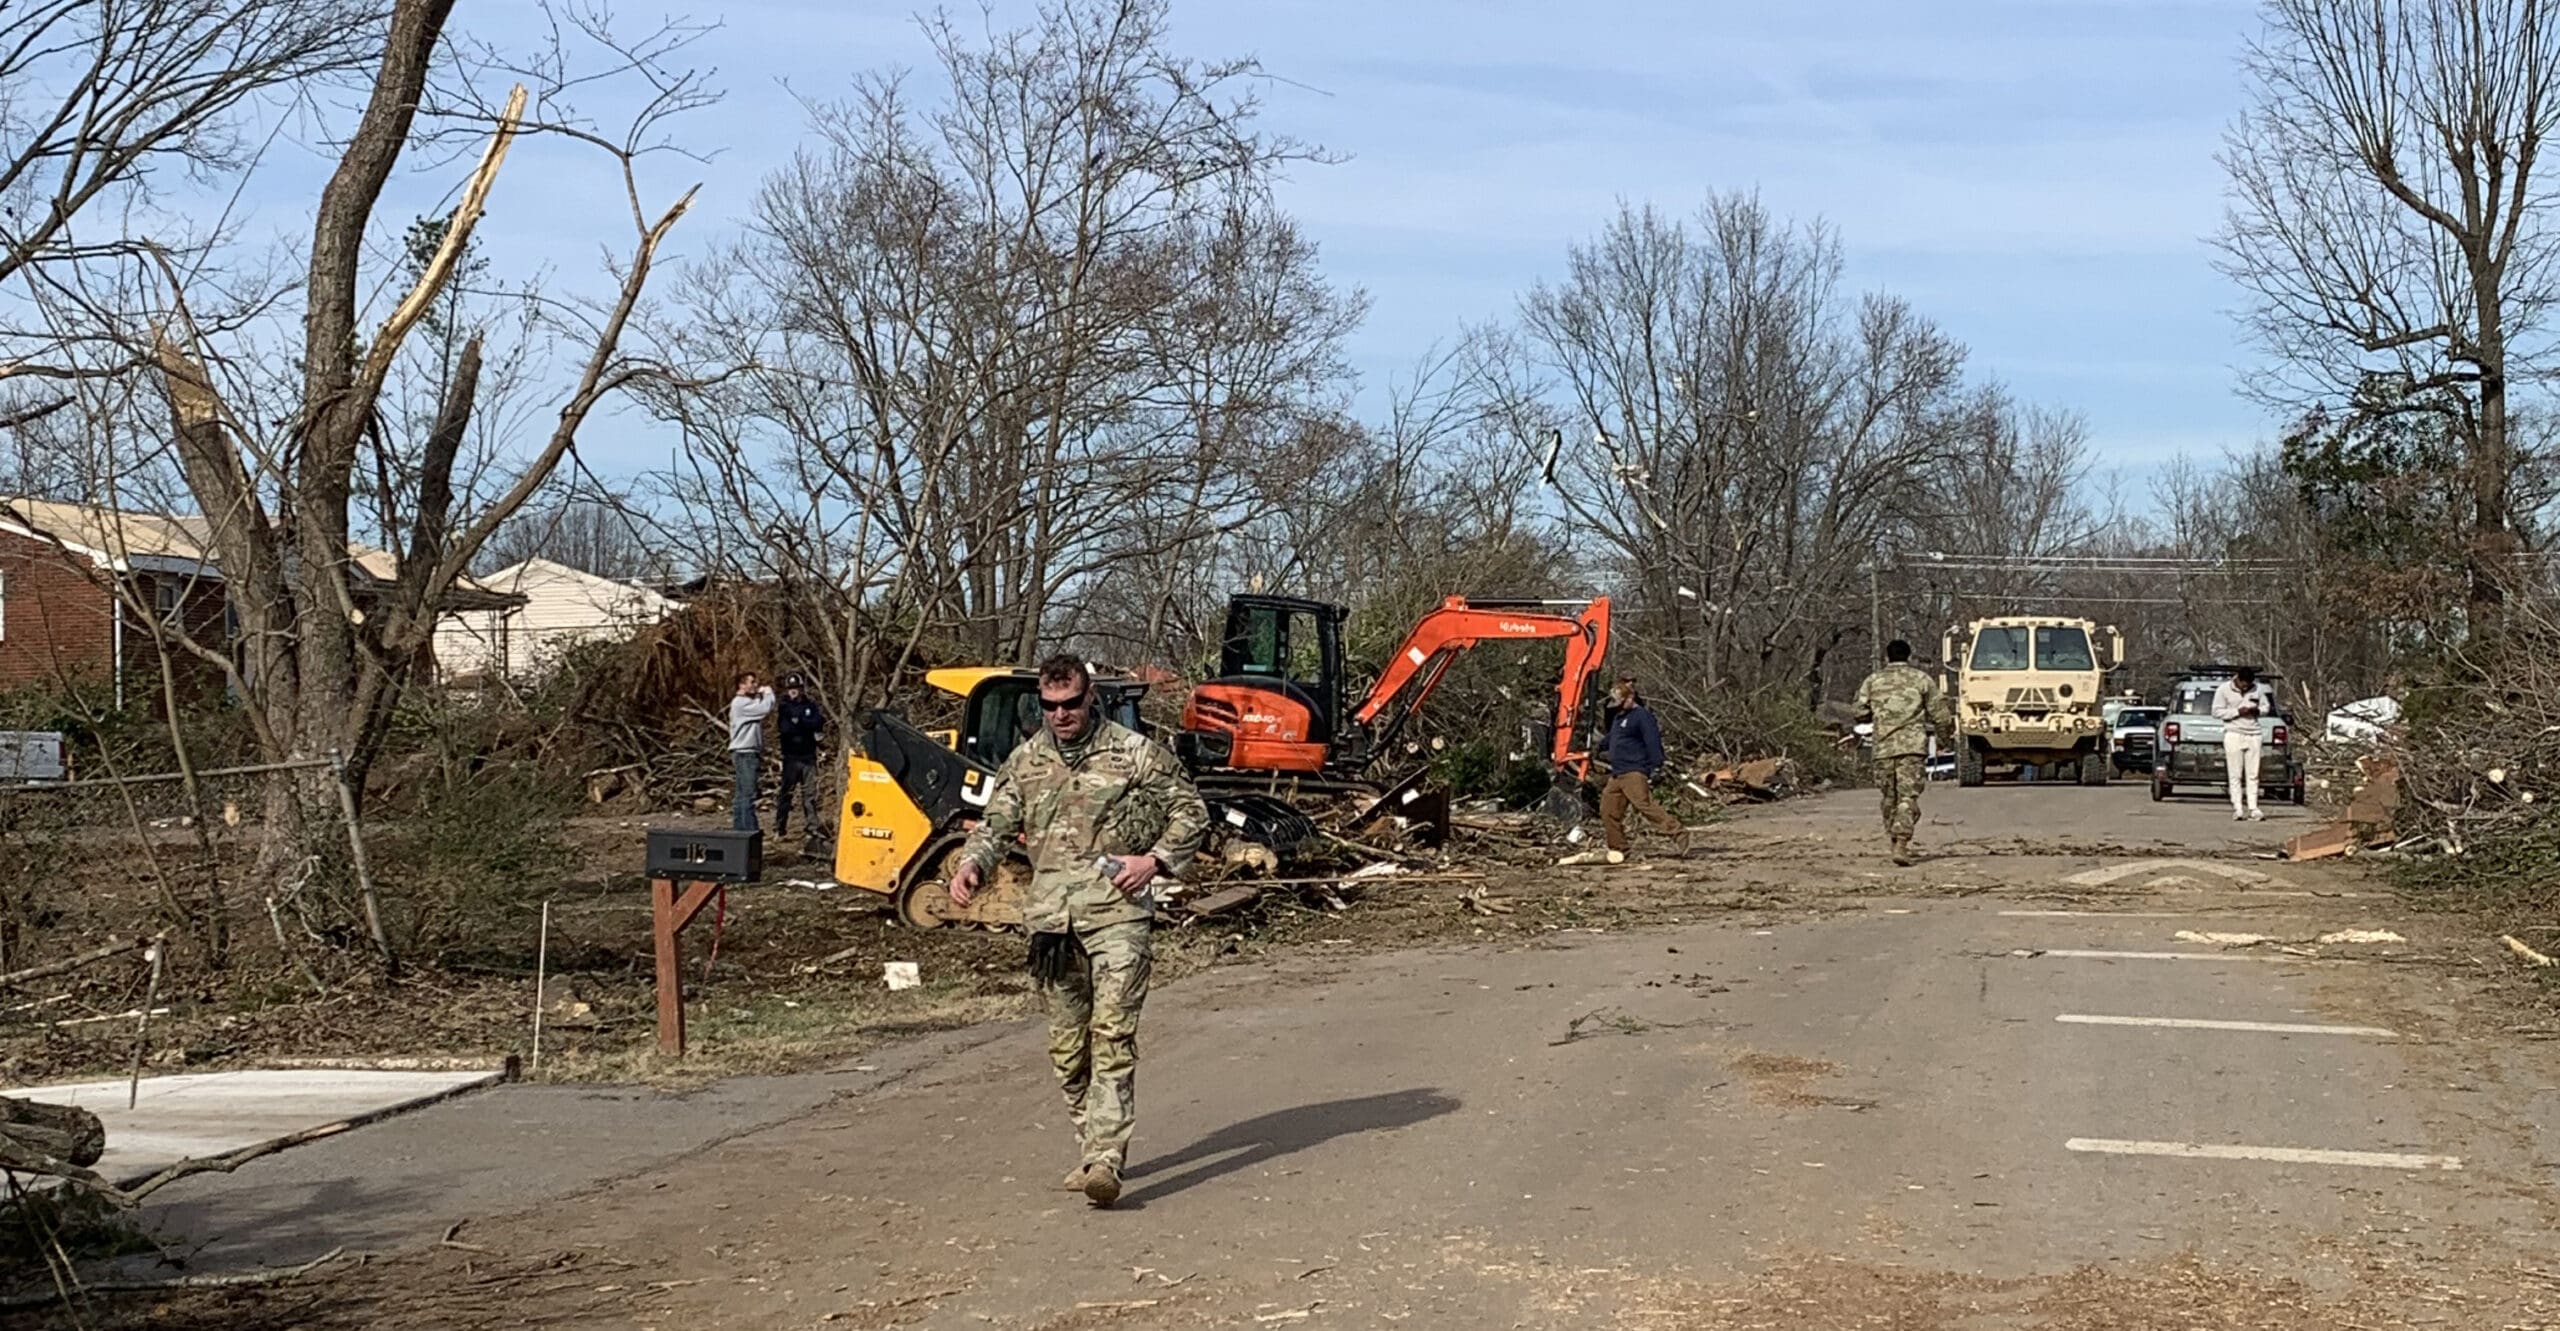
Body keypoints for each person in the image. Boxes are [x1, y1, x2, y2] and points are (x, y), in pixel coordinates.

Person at [949, 655, 1207, 1209]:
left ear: (1091, 699)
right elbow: (993, 826)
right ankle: (1092, 1147)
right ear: (1039, 705)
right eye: (1050, 706)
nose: (1061, 715)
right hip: (1051, 923)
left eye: (1071, 703)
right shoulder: (1024, 762)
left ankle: (1107, 1160)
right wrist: (972, 865)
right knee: (1068, 1050)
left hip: (1118, 914)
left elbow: (1192, 811)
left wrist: (1155, 861)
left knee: (1111, 1035)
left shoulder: (1132, 752)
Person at [1854, 639, 1950, 866]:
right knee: (1907, 797)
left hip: (1883, 748)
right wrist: (1944, 739)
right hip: (1912, 748)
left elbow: (1859, 711)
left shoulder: (1873, 681)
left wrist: (1877, 715)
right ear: (1909, 656)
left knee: (1889, 798)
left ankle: (1893, 838)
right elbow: (1941, 716)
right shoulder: (1921, 679)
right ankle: (1902, 843)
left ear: (1887, 657)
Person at [1599, 675, 1688, 864]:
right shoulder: (1619, 717)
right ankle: (1619, 848)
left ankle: (1678, 833)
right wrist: (1598, 747)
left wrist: (1656, 766)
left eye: (1620, 702)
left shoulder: (1642, 717)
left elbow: (1652, 742)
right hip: (1617, 773)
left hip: (1634, 770)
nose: (1617, 706)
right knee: (1608, 810)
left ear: (1630, 698)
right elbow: (1612, 739)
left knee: (1643, 805)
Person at [2213, 666, 2273, 822]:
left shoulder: (2258, 689)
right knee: (2235, 774)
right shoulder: (2223, 689)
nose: (2246, 687)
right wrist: (2237, 712)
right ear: (2237, 679)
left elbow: (2266, 707)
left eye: (2248, 684)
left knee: (2253, 774)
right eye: (2243, 683)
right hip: (2233, 733)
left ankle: (2253, 807)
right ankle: (2238, 807)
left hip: (2254, 734)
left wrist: (2256, 711)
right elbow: (2216, 712)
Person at [773, 672, 829, 839]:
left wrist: (801, 722)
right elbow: (785, 729)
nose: (793, 691)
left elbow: (819, 722)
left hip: (808, 756)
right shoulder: (784, 707)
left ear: (801, 688)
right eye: (790, 688)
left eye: (796, 688)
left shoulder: (810, 705)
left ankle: (812, 827)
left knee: (810, 795)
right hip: (791, 757)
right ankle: (779, 828)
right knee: (786, 794)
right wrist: (804, 724)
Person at [727, 671, 775, 832]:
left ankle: (739, 831)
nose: (756, 685)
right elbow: (765, 708)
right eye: (752, 682)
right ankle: (749, 831)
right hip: (745, 753)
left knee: (741, 796)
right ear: (742, 685)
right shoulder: (741, 704)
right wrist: (768, 693)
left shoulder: (744, 703)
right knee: (748, 795)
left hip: (744, 753)